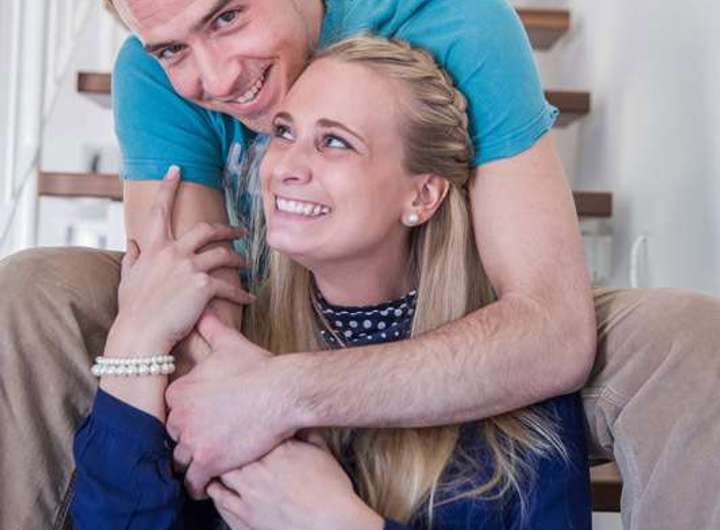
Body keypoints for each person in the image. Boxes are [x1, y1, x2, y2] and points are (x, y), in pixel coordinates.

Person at [1, 1, 719, 529]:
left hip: (456, 315)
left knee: (685, 336)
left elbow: (550, 329)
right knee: (37, 290)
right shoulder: (155, 70)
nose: (215, 79)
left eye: (227, 17)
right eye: (171, 48)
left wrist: (288, 412)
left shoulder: (456, 22)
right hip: (271, 309)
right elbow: (204, 351)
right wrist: (140, 343)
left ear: (425, 193)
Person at [71, 36, 592, 530]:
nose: (286, 167)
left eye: (335, 142)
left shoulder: (512, 374)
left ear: (423, 196)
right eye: (283, 133)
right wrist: (136, 337)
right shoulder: (223, 354)